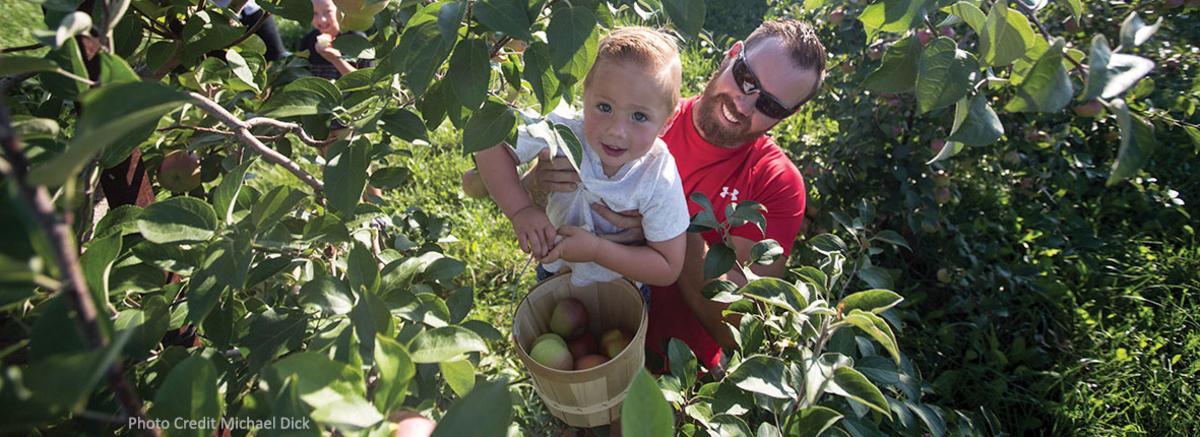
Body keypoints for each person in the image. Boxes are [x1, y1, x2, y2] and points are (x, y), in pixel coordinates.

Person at [471, 19, 826, 372]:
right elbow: (475, 177)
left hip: (679, 366)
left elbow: (743, 326)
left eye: (771, 106)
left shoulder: (772, 182)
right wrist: (534, 187)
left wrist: (664, 229)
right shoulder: (635, 100)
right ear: (732, 54)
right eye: (746, 78)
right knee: (579, 406)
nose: (745, 104)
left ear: (789, 115)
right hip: (574, 321)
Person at [474, 27, 689, 288]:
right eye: (604, 107)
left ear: (666, 123)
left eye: (639, 116)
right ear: (584, 96)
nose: (616, 131)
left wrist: (597, 251)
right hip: (554, 273)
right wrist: (521, 209)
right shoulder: (562, 133)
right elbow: (489, 145)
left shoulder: (658, 176)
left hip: (620, 290)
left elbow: (667, 267)